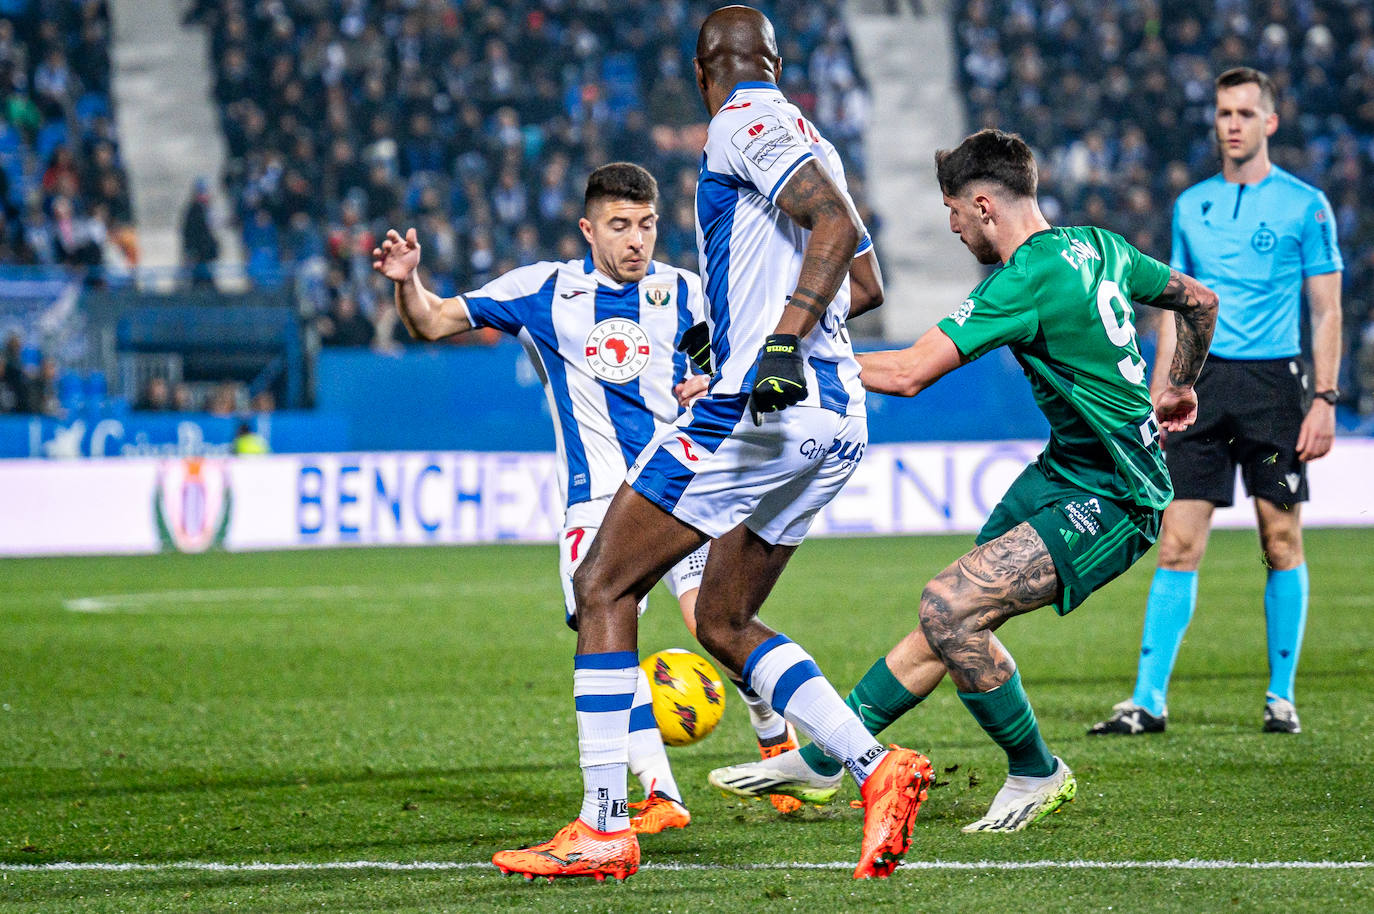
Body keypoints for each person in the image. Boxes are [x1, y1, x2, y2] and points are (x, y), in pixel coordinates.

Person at [489, 6, 929, 885]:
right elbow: (868, 280)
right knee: (721, 618)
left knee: (604, 581)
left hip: (765, 405)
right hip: (835, 417)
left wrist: (771, 345)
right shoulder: (815, 137)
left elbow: (836, 235)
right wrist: (767, 333)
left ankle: (606, 825)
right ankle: (875, 769)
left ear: (704, 73)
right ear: (778, 58)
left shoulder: (743, 121)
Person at [707, 128, 1218, 833]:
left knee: (954, 610)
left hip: (1117, 497)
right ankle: (833, 754)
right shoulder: (1099, 246)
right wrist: (1181, 386)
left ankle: (1037, 770)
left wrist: (792, 363)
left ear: (982, 206)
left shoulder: (1027, 277)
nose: (951, 227)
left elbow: (912, 372)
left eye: (951, 211)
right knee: (948, 620)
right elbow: (1199, 301)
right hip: (1065, 472)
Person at [372, 161, 798, 837]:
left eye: (648, 225)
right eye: (620, 226)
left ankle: (773, 733)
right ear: (588, 229)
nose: (637, 240)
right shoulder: (544, 289)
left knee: (711, 620)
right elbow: (430, 322)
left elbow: (735, 361)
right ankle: (661, 792)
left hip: (678, 489)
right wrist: (408, 284)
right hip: (596, 500)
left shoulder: (687, 293)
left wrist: (712, 381)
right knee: (605, 629)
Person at [1086, 68, 1343, 737]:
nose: (1233, 124)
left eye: (1245, 113)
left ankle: (1280, 696)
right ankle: (1147, 700)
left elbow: (1326, 309)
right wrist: (1157, 388)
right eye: (1224, 113)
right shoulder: (1191, 203)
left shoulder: (1306, 205)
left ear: (1270, 122)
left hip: (1275, 390)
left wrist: (1324, 398)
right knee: (1176, 543)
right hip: (1201, 387)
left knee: (1280, 539)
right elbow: (1175, 302)